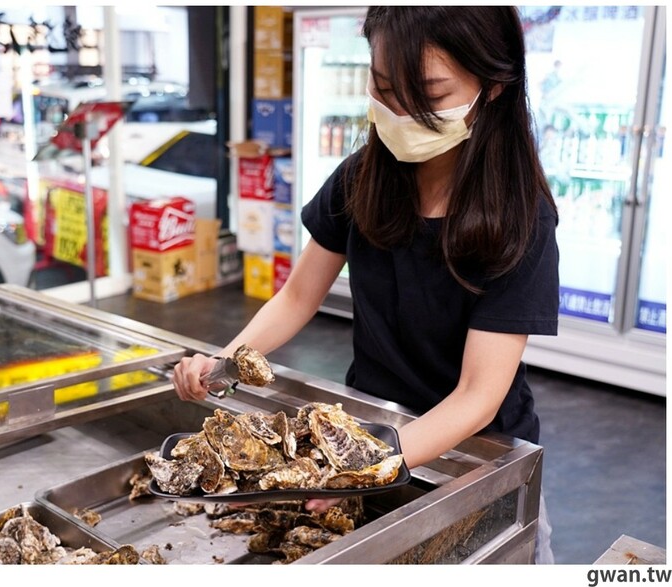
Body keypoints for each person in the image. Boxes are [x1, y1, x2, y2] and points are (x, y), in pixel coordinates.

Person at [172, 6, 559, 563]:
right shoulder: (363, 177)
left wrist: (370, 463)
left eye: (427, 91)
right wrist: (225, 362)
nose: (400, 110)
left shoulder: (521, 217)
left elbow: (478, 394)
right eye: (382, 87)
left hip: (477, 453)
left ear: (494, 86)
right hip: (369, 425)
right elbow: (299, 295)